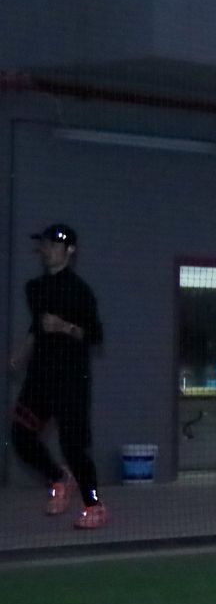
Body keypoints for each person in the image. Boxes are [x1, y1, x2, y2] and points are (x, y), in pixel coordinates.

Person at [10, 224, 105, 529]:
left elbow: (95, 335)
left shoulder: (80, 291)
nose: (47, 249)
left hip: (71, 381)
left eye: (54, 245)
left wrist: (64, 327)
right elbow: (37, 327)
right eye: (45, 244)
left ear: (69, 251)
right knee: (20, 436)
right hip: (40, 378)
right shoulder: (34, 288)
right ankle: (58, 478)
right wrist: (20, 353)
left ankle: (94, 504)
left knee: (73, 448)